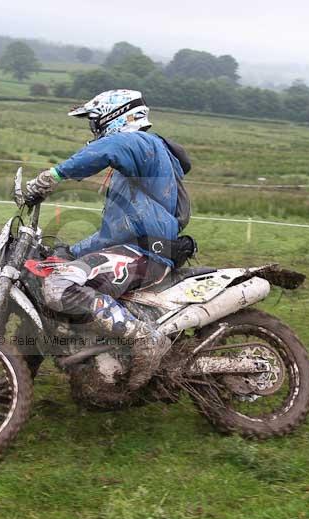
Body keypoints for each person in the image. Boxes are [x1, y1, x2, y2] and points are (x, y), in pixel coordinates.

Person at [23, 89, 193, 391]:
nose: (94, 130)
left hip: (144, 255)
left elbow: (108, 148)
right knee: (62, 273)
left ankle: (146, 341)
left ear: (115, 117)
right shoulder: (133, 168)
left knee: (60, 286)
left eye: (95, 122)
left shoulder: (143, 143)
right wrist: (70, 252)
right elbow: (113, 234)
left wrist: (53, 175)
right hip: (134, 251)